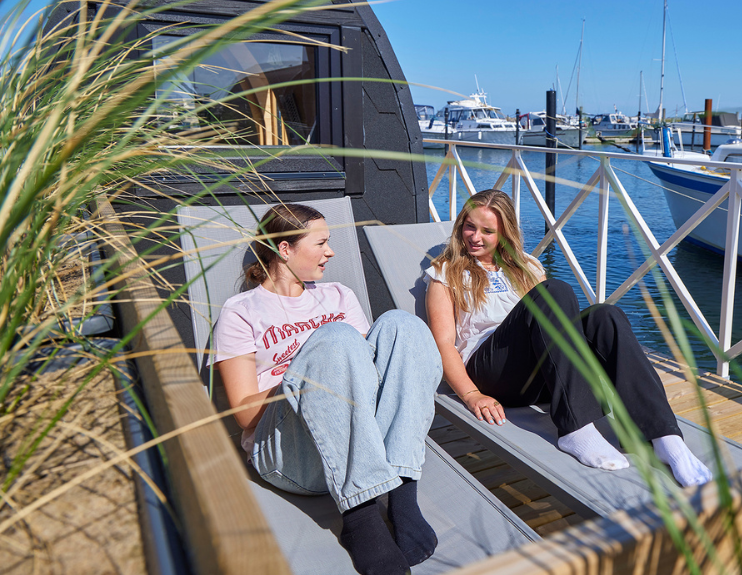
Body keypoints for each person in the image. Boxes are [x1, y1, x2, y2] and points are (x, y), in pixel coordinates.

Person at [424, 189, 712, 487]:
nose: (475, 237)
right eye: (470, 226)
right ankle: (576, 429)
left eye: (487, 231)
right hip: (491, 372)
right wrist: (472, 395)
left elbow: (554, 324)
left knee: (606, 317)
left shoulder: (527, 266)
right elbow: (443, 342)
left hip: (538, 376)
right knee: (555, 291)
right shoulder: (446, 273)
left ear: (505, 233)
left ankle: (664, 436)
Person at [212, 203, 441, 575]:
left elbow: (369, 374)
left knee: (403, 325)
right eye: (320, 243)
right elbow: (242, 413)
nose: (330, 252)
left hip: (361, 444)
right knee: (334, 339)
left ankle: (402, 493)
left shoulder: (339, 295)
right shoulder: (241, 311)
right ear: (285, 249)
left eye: (330, 243)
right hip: (289, 454)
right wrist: (303, 379)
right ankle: (361, 518)